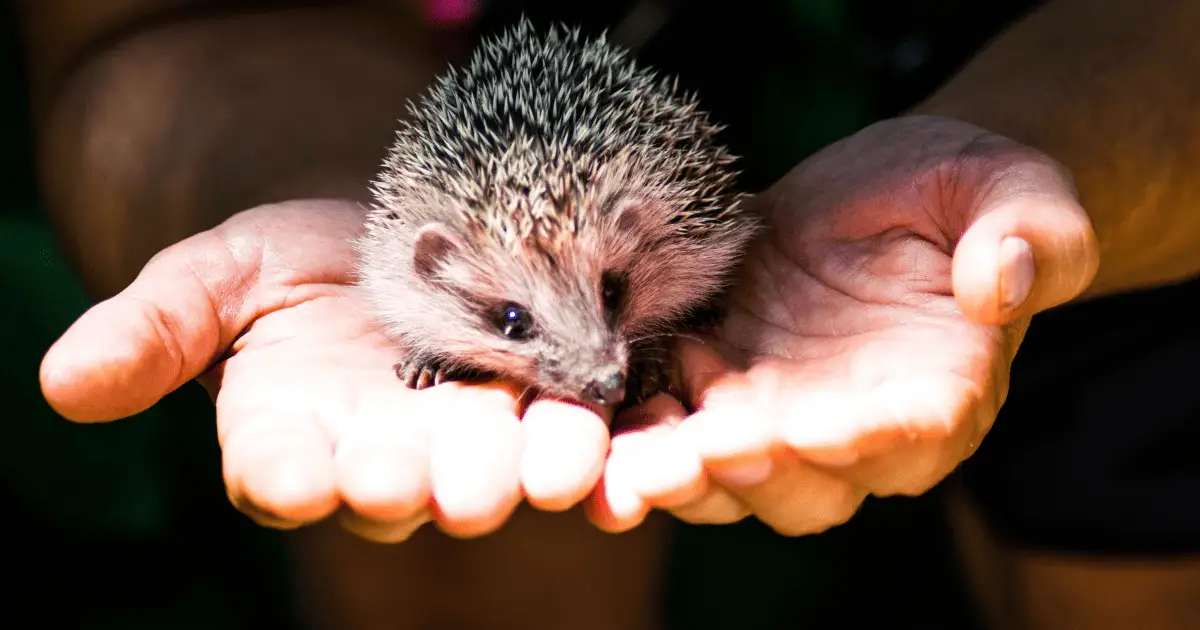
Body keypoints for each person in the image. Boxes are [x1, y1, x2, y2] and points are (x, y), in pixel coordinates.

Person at [20, 0, 1200, 628]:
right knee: (459, 550)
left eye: (615, 300)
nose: (592, 362)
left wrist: (1065, 138)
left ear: (644, 241)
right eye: (513, 325)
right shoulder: (415, 266)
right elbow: (175, 25)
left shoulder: (661, 234)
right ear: (425, 274)